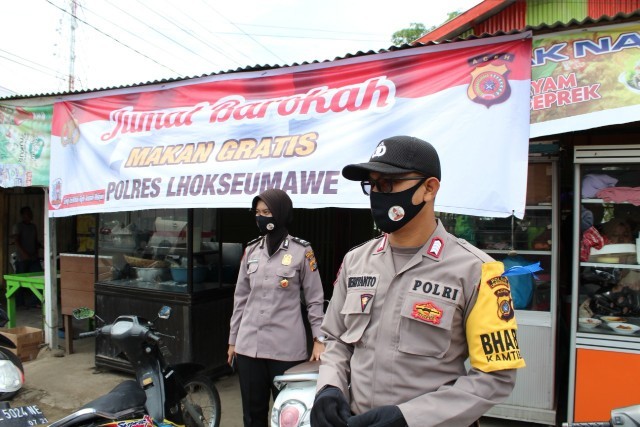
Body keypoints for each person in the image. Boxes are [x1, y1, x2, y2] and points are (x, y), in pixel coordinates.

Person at [311, 136, 526, 427]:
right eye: (371, 185)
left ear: (429, 188)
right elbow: (336, 339)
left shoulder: (477, 271)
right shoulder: (356, 261)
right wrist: (330, 387)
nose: (377, 193)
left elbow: (496, 377)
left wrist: (409, 418)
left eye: (388, 184)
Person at [228, 188, 326, 427]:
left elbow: (315, 298)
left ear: (281, 214)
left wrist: (319, 339)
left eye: (267, 212)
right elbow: (240, 298)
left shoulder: (302, 251)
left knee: (289, 415)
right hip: (249, 346)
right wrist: (233, 341)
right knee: (252, 416)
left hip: (285, 350)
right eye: (258, 213)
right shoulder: (251, 250)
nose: (262, 218)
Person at [10, 206, 44, 308]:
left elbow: (35, 241)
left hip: (33, 258)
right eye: (27, 213)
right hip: (22, 259)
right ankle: (19, 304)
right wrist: (24, 254)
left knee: (39, 278)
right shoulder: (18, 226)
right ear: (22, 215)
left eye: (30, 213)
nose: (29, 215)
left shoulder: (33, 227)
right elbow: (17, 241)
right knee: (19, 282)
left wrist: (39, 249)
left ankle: (34, 302)